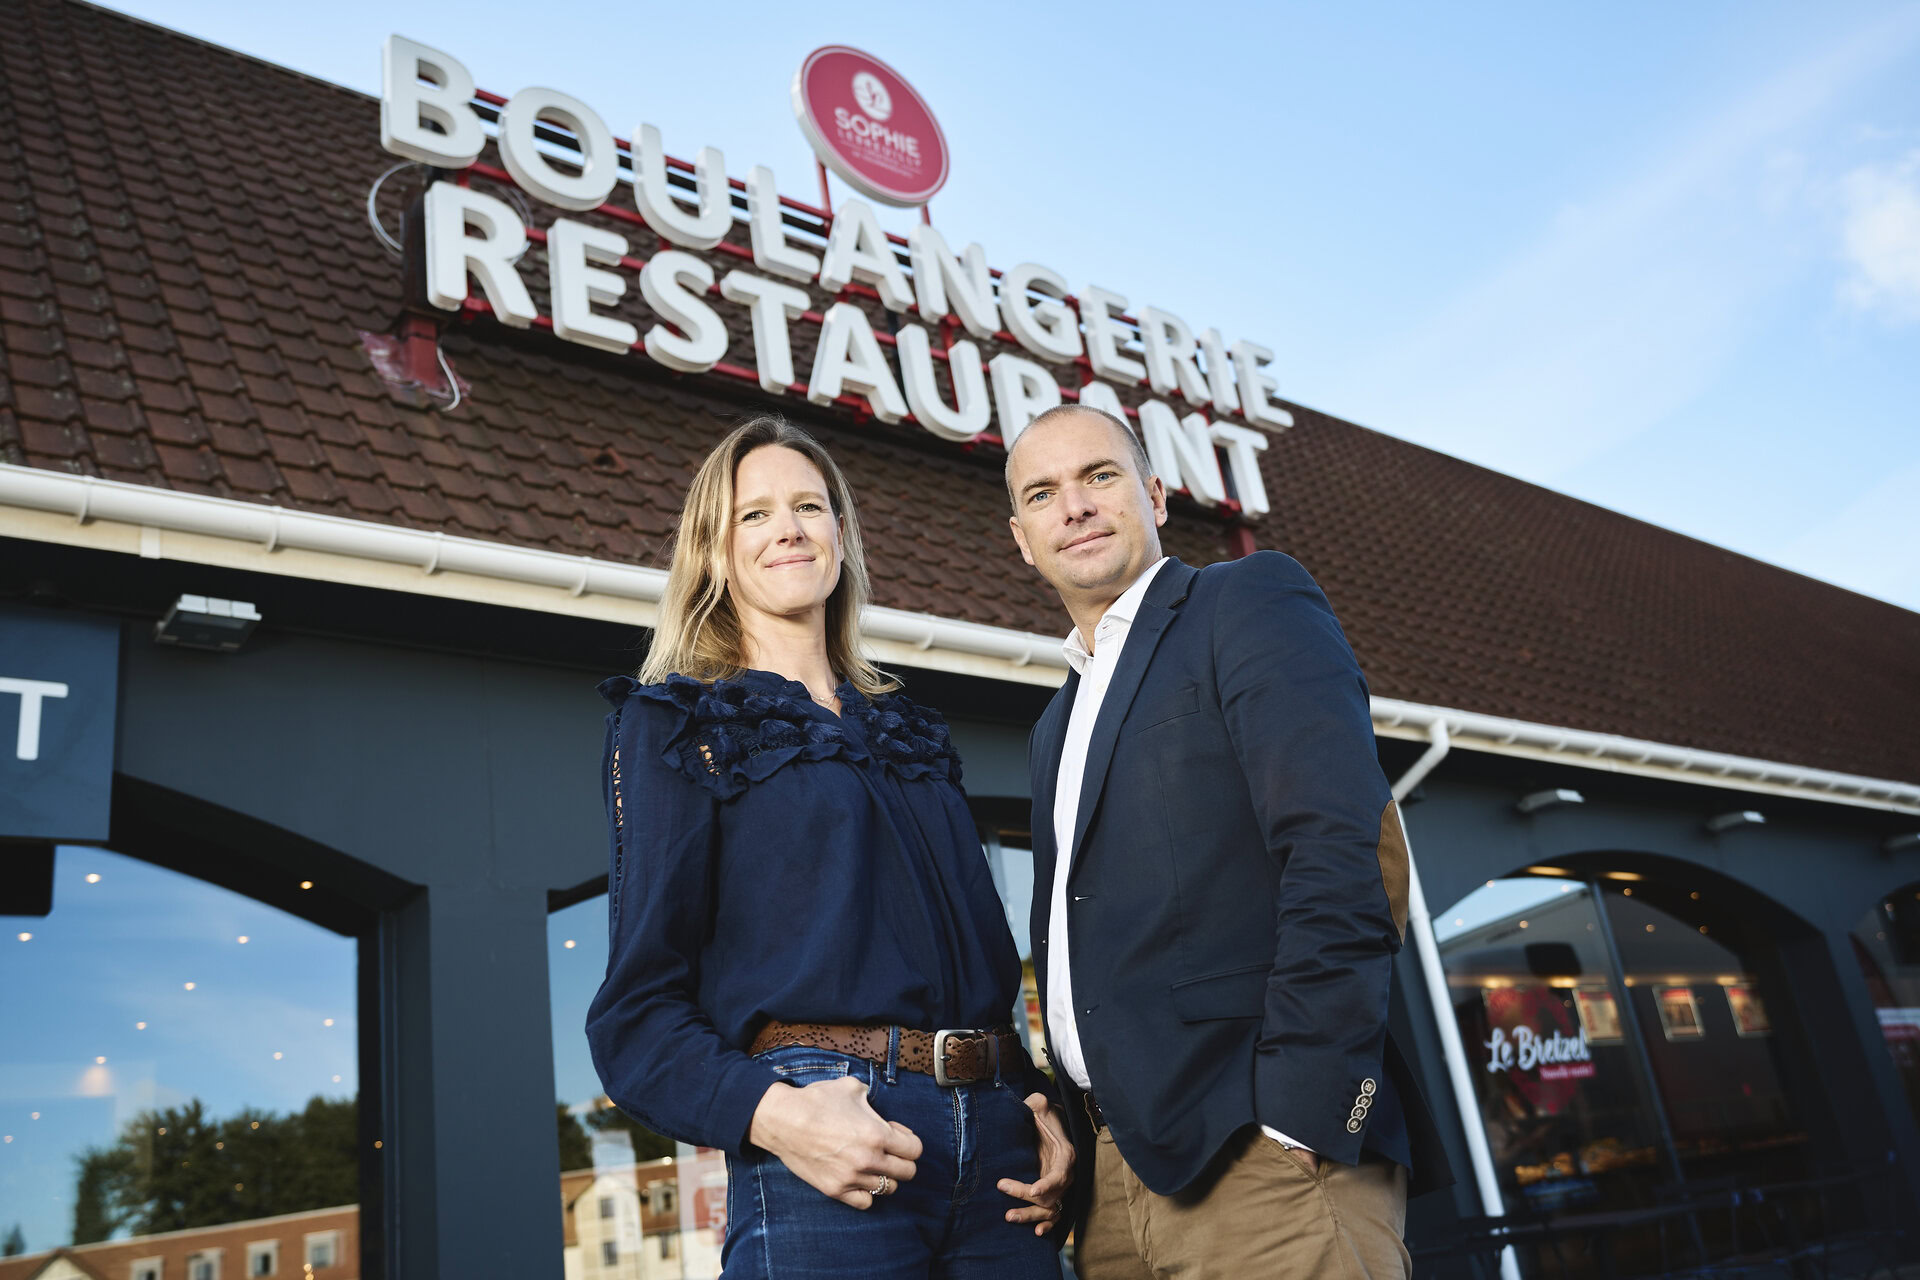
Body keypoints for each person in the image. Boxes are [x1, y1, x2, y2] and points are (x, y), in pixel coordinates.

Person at [587, 415, 1073, 1280]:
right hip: (833, 1138)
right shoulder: (680, 726)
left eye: (810, 506)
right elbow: (637, 1016)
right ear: (712, 551)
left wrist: (1042, 1106)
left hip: (1001, 1150)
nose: (789, 529)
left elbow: (989, 963)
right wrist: (775, 1116)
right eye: (754, 514)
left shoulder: (913, 732)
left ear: (840, 536)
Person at [1003, 404, 1451, 1279]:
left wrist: (1302, 1111)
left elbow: (1345, 850)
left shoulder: (1244, 602)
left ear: (1155, 495)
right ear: (1022, 538)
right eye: (1044, 493)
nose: (1076, 506)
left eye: (1100, 476)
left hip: (1259, 1160)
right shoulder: (1055, 724)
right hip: (1109, 1188)